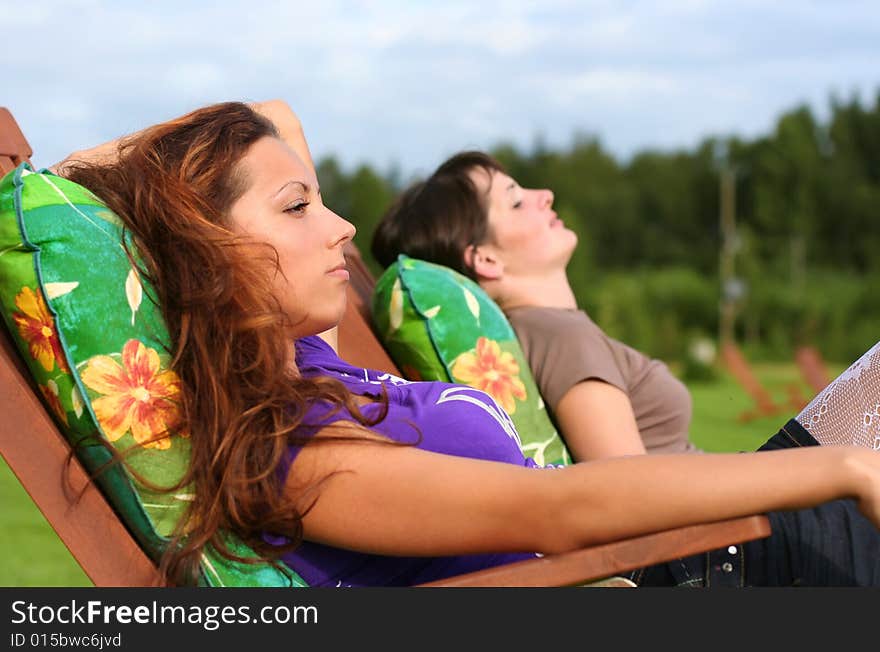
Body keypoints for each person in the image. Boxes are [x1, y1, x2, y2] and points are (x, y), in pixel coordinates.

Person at [56, 100, 880, 588]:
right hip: (695, 580)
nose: (342, 229)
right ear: (211, 251)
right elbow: (562, 510)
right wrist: (843, 469)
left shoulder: (314, 361)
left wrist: (121, 176)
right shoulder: (295, 455)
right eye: (299, 208)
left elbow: (270, 115)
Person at [372, 151, 703, 462]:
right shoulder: (563, 337)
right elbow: (630, 484)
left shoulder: (543, 331)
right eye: (516, 202)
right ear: (486, 258)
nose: (545, 194)